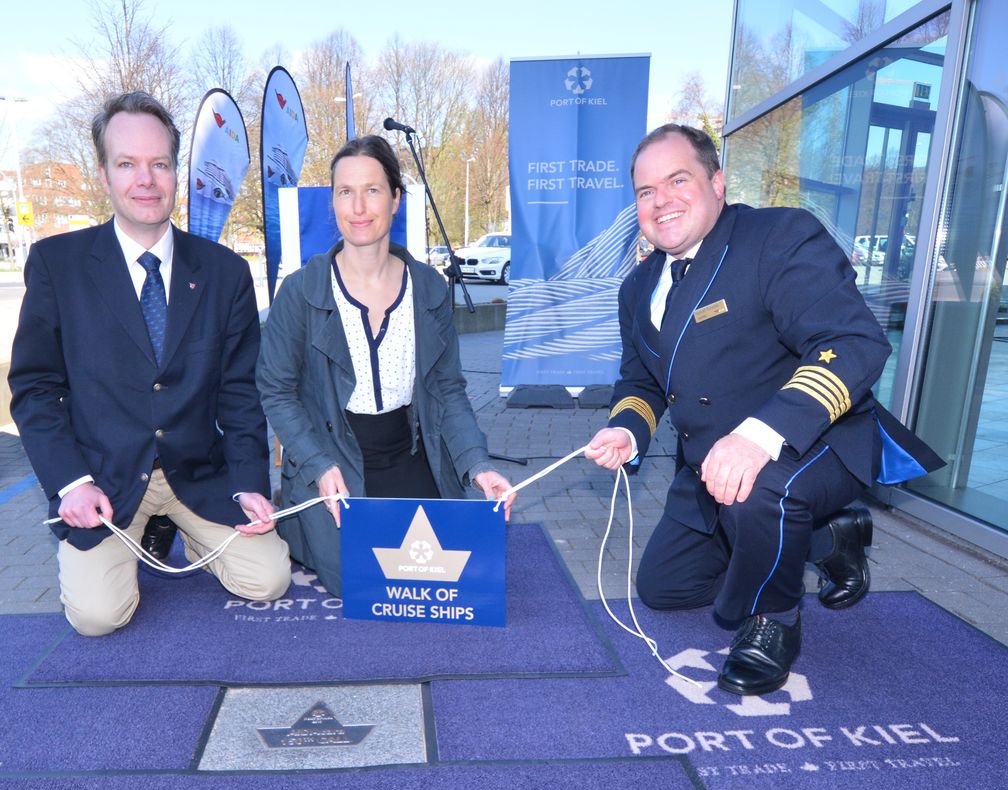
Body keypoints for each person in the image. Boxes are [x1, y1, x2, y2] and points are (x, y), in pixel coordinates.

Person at [585, 124, 942, 696]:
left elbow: (854, 343)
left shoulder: (775, 237)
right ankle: (824, 540)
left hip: (811, 445)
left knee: (758, 492)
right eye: (646, 191)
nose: (661, 201)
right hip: (710, 464)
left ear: (717, 183)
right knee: (663, 588)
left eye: (679, 180)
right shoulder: (638, 286)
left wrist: (759, 435)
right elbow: (641, 380)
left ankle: (773, 620)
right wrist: (628, 428)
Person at [8, 91, 291, 636]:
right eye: (127, 164)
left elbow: (239, 393)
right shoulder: (56, 266)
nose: (146, 179)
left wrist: (251, 482)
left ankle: (169, 522)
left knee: (268, 580)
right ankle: (132, 531)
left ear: (174, 170)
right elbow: (36, 389)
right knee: (97, 618)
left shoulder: (225, 273)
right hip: (105, 481)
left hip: (197, 474)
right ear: (103, 173)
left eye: (159, 164)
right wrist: (71, 485)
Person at [256, 135, 514, 595]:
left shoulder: (430, 289)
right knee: (362, 582)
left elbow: (448, 392)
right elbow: (276, 392)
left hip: (410, 454)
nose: (358, 207)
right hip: (332, 464)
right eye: (344, 191)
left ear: (396, 199)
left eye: (372, 190)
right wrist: (317, 463)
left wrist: (478, 464)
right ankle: (303, 521)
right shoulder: (299, 292)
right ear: (332, 200)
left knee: (443, 575)